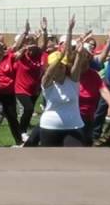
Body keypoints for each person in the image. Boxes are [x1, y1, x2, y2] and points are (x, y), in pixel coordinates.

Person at [36, 19, 93, 147]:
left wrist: (70, 30)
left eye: (61, 66)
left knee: (75, 159)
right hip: (49, 127)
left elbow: (77, 60)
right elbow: (49, 73)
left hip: (74, 126)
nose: (59, 69)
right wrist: (60, 58)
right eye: (56, 67)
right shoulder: (47, 83)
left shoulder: (73, 79)